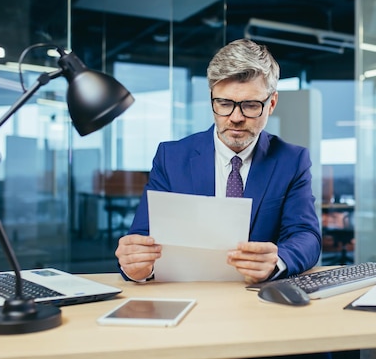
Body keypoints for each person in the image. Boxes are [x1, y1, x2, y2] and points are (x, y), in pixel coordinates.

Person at [115, 38, 322, 284]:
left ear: (272, 103)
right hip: (187, 297)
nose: (235, 117)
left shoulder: (292, 160)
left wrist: (278, 260)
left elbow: (306, 236)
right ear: (212, 98)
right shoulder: (171, 157)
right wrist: (136, 266)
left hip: (257, 302)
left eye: (250, 105)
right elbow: (142, 237)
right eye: (224, 103)